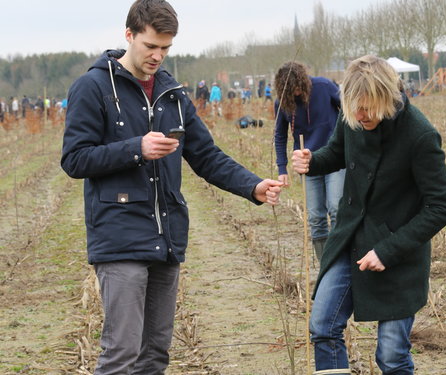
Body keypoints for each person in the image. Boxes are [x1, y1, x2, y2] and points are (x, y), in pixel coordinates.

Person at [60, 1, 283, 374]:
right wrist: (136, 148)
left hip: (167, 237)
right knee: (121, 354)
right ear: (129, 35)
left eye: (166, 48)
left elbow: (207, 156)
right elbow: (75, 160)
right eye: (150, 46)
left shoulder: (172, 94)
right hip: (119, 237)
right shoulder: (92, 87)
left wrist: (253, 186)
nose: (158, 56)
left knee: (154, 356)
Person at [292, 55, 446, 375]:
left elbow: (442, 206)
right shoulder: (353, 114)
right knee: (323, 326)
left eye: (367, 109)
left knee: (391, 356)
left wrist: (388, 250)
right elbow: (337, 152)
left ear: (387, 98)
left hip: (398, 253)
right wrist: (313, 160)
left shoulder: (419, 135)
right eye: (354, 108)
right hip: (349, 237)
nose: (359, 115)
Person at [274, 61, 345, 263]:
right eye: (291, 89)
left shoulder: (323, 86)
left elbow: (349, 110)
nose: (296, 92)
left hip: (335, 159)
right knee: (316, 218)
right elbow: (279, 136)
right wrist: (282, 168)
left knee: (336, 208)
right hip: (307, 164)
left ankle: (342, 260)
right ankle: (326, 266)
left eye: (298, 87)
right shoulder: (282, 103)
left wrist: (347, 140)